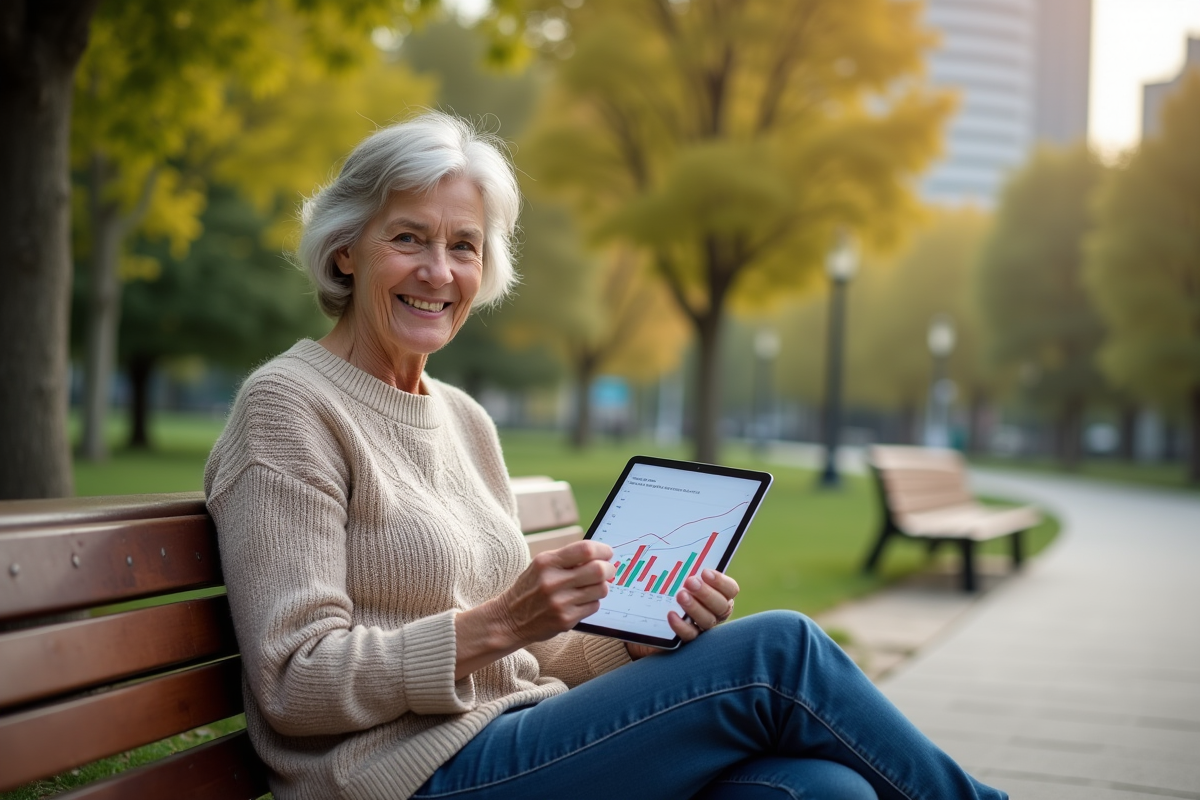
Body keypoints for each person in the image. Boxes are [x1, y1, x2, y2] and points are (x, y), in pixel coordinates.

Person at [205, 111, 1006, 800]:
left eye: (464, 246)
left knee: (824, 789)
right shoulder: (289, 405)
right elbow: (293, 682)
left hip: (515, 740)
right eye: (408, 238)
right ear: (345, 250)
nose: (438, 271)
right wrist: (497, 623)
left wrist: (638, 636)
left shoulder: (463, 418)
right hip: (403, 778)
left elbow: (536, 652)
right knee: (779, 651)